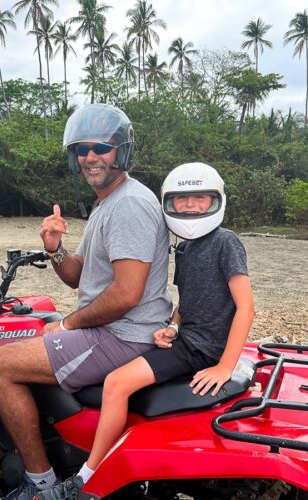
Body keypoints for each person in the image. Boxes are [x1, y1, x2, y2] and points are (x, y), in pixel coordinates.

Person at [0, 103, 173, 500]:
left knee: (0, 366)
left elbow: (126, 294)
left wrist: (70, 324)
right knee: (36, 328)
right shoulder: (107, 203)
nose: (90, 157)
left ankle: (40, 484)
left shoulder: (130, 205)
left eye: (100, 148)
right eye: (82, 149)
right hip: (114, 328)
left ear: (121, 151)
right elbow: (77, 275)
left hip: (124, 334)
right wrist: (54, 248)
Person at [36, 162, 255, 499]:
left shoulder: (226, 242)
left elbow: (246, 306)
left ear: (217, 201)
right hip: (186, 340)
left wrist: (225, 365)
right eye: (182, 199)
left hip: (201, 349)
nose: (191, 205)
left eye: (201, 198)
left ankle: (87, 477)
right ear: (169, 203)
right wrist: (173, 326)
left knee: (116, 383)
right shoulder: (186, 247)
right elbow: (187, 301)